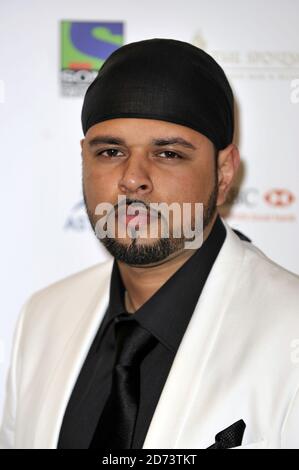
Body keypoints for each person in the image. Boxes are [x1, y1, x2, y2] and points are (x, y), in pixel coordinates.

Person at [1, 38, 299, 450]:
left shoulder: (290, 333)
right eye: (110, 151)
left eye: (168, 154)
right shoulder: (42, 318)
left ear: (225, 171)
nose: (132, 178)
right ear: (84, 160)